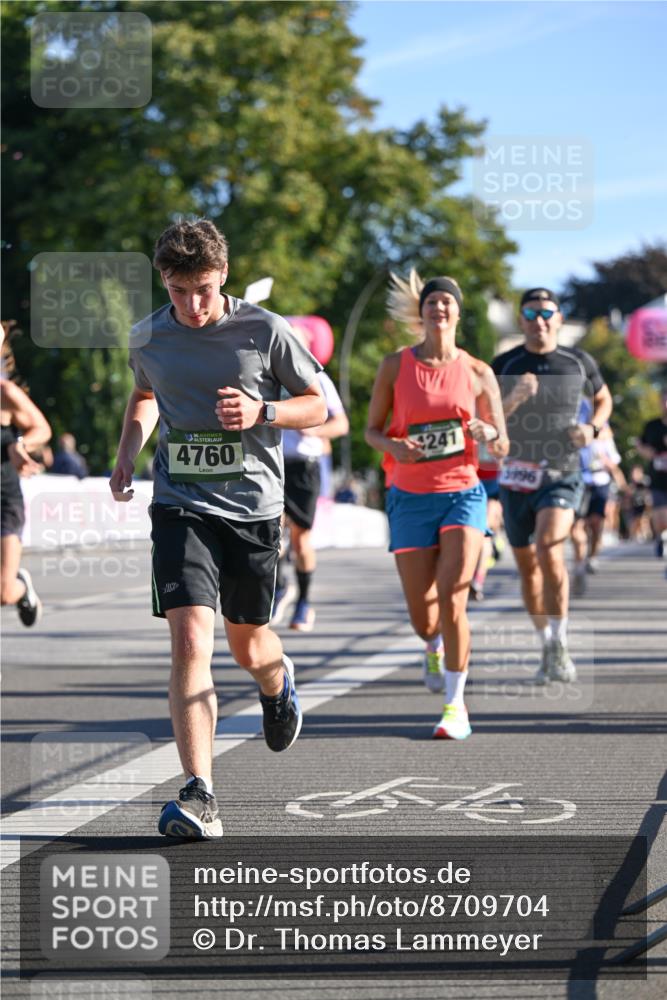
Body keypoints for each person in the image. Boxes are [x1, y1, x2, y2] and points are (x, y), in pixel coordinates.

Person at [109, 220, 326, 839]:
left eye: (203, 289)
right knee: (188, 641)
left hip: (253, 508)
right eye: (179, 291)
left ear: (223, 275)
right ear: (163, 282)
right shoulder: (148, 336)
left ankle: (277, 682)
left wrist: (266, 411)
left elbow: (319, 405)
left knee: (248, 643)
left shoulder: (265, 331)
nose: (192, 305)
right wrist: (128, 451)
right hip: (181, 502)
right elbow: (144, 395)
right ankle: (200, 793)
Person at [365, 271, 508, 740]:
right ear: (422, 312)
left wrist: (489, 434)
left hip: (463, 493)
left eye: (448, 301)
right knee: (423, 615)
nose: (439, 308)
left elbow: (503, 443)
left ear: (458, 312)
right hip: (408, 496)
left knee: (454, 597)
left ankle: (455, 705)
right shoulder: (394, 365)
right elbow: (370, 430)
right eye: (432, 301)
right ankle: (431, 645)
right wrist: (394, 447)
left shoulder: (478, 371)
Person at [492, 288, 612, 683]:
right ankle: (546, 642)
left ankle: (560, 640)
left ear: (558, 318)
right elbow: (488, 422)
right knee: (528, 569)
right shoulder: (505, 364)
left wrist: (592, 428)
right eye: (530, 312)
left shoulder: (578, 361)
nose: (539, 319)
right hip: (515, 477)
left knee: (549, 546)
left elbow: (604, 399)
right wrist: (516, 397)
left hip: (561, 471)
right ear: (522, 320)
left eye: (546, 312)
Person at [272, 328, 349, 631]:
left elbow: (341, 423)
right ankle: (280, 587)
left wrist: (315, 430)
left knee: (301, 539)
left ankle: (303, 602)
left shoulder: (318, 378)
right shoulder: (270, 376)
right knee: (270, 531)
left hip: (305, 465)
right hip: (273, 462)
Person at [0, 323, 52, 626]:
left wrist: (20, 444)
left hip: (4, 500)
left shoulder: (6, 393)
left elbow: (42, 428)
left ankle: (19, 588)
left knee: (3, 593)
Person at [570, 401, 625, 595]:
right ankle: (579, 566)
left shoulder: (604, 434)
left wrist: (607, 462)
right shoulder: (573, 430)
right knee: (576, 527)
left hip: (600, 481)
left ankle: (591, 557)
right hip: (579, 481)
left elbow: (615, 460)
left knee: (596, 524)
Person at [638, 389, 667, 559]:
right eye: (664, 400)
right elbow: (640, 444)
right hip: (657, 477)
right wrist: (646, 452)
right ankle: (659, 538)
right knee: (659, 515)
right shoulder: (652, 425)